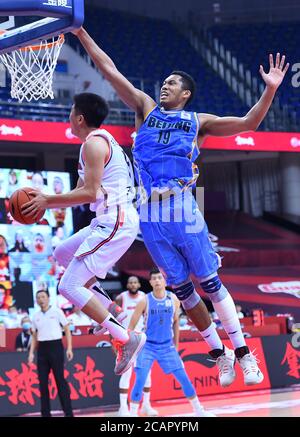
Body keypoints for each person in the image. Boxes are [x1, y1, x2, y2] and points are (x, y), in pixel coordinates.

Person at [74, 28, 289, 386]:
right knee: (183, 291)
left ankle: (243, 353)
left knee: (210, 281)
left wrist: (269, 89)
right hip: (149, 215)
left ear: (185, 93)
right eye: (165, 81)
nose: (165, 85)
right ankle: (220, 355)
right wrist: (80, 32)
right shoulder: (144, 107)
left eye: (173, 83)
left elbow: (250, 123)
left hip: (183, 206)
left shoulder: (198, 122)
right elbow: (108, 68)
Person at [22, 92, 146, 376]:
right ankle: (110, 309)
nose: (67, 116)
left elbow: (89, 193)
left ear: (79, 118)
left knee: (68, 286)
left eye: (70, 111)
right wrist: (46, 198)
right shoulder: (95, 142)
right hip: (109, 219)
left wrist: (46, 201)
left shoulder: (93, 144)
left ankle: (125, 336)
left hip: (116, 219)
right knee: (61, 253)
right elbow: (82, 192)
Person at [128, 268, 215, 417]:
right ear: (150, 282)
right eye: (154, 278)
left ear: (164, 281)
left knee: (184, 379)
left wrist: (176, 345)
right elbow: (131, 327)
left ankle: (199, 411)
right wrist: (130, 345)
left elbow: (175, 322)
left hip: (167, 346)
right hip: (148, 346)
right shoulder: (144, 301)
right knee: (140, 379)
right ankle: (132, 414)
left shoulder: (174, 299)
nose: (156, 280)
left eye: (159, 278)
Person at [114, 276, 157, 417]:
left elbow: (148, 318)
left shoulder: (144, 297)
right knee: (126, 374)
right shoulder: (121, 298)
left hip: (142, 340)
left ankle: (146, 406)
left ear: (139, 284)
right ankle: (123, 409)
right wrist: (113, 341)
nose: (132, 284)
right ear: (127, 284)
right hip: (125, 341)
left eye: (135, 282)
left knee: (147, 374)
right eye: (130, 282)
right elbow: (112, 319)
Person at [28, 289, 73, 417]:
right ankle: (45, 414)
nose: (41, 299)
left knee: (60, 380)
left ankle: (68, 413)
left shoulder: (57, 312)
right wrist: (31, 353)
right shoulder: (35, 316)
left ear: (48, 298)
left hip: (56, 347)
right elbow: (34, 336)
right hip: (42, 349)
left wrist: (69, 348)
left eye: (43, 296)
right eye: (38, 297)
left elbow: (67, 329)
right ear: (36, 301)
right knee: (42, 383)